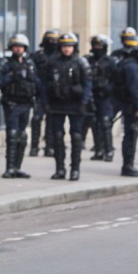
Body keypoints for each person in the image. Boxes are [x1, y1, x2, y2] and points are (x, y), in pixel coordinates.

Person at [44, 33, 92, 181]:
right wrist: (45, 103)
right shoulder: (52, 63)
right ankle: (60, 169)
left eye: (69, 46)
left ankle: (75, 169)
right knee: (57, 137)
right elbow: (44, 85)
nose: (67, 49)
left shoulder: (81, 63)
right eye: (64, 46)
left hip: (76, 105)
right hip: (57, 104)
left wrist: (84, 103)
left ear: (74, 47)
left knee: (76, 137)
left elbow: (88, 84)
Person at [0, 34, 38, 179]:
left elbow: (35, 83)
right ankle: (9, 168)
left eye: (21, 46)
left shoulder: (29, 64)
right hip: (12, 104)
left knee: (22, 135)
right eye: (16, 46)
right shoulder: (6, 64)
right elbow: (0, 82)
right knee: (12, 135)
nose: (18, 49)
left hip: (26, 104)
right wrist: (12, 76)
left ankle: (17, 167)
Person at [113, 35, 138, 177]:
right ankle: (128, 165)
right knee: (131, 135)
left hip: (126, 104)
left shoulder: (125, 64)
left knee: (130, 135)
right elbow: (135, 89)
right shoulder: (132, 67)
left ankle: (128, 164)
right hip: (131, 106)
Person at [85, 34, 117, 162]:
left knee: (105, 123)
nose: (97, 48)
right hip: (92, 96)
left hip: (106, 98)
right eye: (95, 45)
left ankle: (108, 150)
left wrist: (110, 88)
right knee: (94, 123)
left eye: (99, 45)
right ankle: (98, 150)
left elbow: (117, 80)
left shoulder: (110, 62)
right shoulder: (88, 61)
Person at [29, 29, 60, 157]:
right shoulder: (37, 56)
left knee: (51, 120)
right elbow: (32, 72)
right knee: (36, 119)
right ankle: (34, 146)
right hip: (39, 91)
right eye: (50, 40)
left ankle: (49, 146)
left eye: (55, 40)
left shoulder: (59, 57)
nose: (52, 42)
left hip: (53, 92)